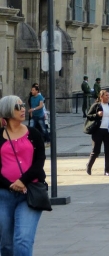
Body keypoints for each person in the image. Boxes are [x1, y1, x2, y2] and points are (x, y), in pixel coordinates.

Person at [0, 96, 47, 255]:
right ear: (7, 111)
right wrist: (10, 185)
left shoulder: (33, 133)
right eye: (17, 107)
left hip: (30, 192)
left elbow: (39, 162)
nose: (23, 109)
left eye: (22, 106)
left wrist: (22, 181)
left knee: (22, 241)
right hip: (4, 195)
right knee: (6, 244)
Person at [86, 90, 109, 176]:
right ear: (101, 96)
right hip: (98, 130)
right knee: (96, 150)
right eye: (106, 95)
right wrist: (97, 115)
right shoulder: (96, 105)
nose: (108, 97)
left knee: (108, 151)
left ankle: (107, 170)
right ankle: (89, 165)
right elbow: (89, 116)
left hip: (108, 131)